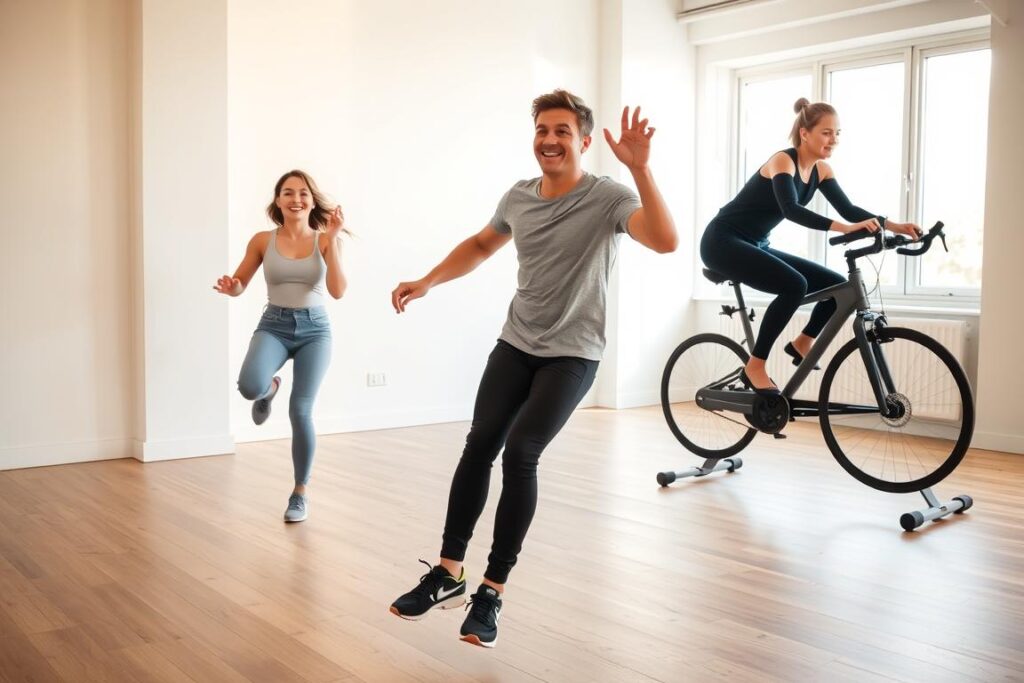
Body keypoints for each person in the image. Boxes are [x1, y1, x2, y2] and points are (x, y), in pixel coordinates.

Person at [387, 89, 677, 648]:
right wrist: (428, 280)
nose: (550, 139)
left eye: (562, 131)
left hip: (573, 352)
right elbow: (479, 244)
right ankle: (449, 573)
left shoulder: (609, 197)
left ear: (584, 141)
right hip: (516, 342)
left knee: (522, 452)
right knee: (480, 444)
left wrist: (642, 171)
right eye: (543, 129)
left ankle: (491, 590)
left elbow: (664, 242)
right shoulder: (518, 197)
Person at [700, 98, 921, 393]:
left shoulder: (822, 170)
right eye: (827, 133)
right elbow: (791, 209)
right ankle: (755, 365)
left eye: (838, 133)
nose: (834, 140)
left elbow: (849, 210)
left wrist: (893, 226)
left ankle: (803, 341)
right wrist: (845, 228)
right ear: (805, 134)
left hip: (756, 243)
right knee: (795, 285)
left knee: (836, 287)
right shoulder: (782, 161)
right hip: (722, 241)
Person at [213, 170, 347, 522]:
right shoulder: (262, 240)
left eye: (303, 193)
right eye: (287, 193)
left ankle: (299, 492)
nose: (296, 199)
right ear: (277, 200)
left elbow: (337, 290)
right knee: (248, 387)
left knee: (300, 411)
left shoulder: (324, 240)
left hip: (315, 331)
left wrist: (332, 241)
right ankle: (269, 386)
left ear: (312, 200)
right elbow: (241, 281)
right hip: (274, 324)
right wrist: (233, 287)